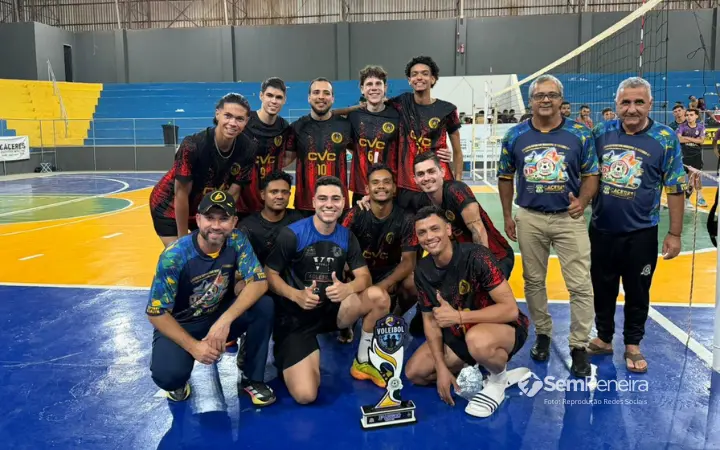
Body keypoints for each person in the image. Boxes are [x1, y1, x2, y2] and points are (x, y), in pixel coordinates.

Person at [497, 74, 598, 377]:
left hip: (569, 218)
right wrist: (507, 215)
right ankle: (542, 333)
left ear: (560, 100)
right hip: (530, 217)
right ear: (530, 101)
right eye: (539, 95)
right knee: (533, 281)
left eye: (551, 95)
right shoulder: (515, 135)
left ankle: (579, 345)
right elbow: (505, 176)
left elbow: (592, 174)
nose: (545, 100)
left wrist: (583, 200)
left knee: (580, 285)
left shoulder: (579, 133)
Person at [264, 176, 391, 404]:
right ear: (314, 202)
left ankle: (364, 360)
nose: (329, 204)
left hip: (332, 312)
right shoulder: (292, 234)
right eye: (323, 199)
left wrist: (348, 288)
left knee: (379, 297)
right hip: (297, 319)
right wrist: (296, 295)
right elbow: (270, 274)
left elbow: (365, 277)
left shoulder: (346, 236)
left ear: (343, 203)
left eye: (335, 199)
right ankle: (288, 355)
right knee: (306, 395)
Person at [588, 77, 686, 373]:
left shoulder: (665, 138)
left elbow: (675, 188)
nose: (632, 109)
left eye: (639, 102)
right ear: (616, 104)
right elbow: (586, 174)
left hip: (641, 232)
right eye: (626, 102)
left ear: (650, 104)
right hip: (602, 229)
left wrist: (675, 233)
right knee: (602, 287)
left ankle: (632, 343)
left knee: (638, 289)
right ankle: (604, 337)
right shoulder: (600, 132)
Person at [146, 190, 276, 406]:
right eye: (209, 218)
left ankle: (252, 377)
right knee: (168, 377)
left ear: (234, 222)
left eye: (223, 219)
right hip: (183, 323)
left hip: (217, 314)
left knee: (264, 305)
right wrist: (194, 347)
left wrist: (224, 322)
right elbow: (156, 313)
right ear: (198, 220)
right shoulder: (175, 256)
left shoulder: (237, 240)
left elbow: (259, 282)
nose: (216, 225)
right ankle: (179, 376)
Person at [404, 206, 529, 418]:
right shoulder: (423, 270)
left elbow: (510, 311)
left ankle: (499, 379)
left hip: (503, 328)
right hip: (461, 334)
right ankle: (479, 364)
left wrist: (459, 317)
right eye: (422, 232)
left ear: (448, 230)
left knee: (477, 340)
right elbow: (430, 322)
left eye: (435, 229)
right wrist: (441, 368)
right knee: (415, 373)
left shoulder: (477, 256)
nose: (429, 237)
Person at [149, 93, 257, 247]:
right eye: (228, 116)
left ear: (246, 121)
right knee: (182, 255)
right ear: (217, 114)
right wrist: (183, 241)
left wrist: (221, 223)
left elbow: (233, 192)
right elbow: (181, 194)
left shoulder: (248, 148)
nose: (232, 123)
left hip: (204, 207)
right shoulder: (193, 146)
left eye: (239, 119)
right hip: (169, 205)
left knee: (211, 250)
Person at [413, 151, 514, 279]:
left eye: (431, 171)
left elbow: (478, 230)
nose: (426, 178)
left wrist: (482, 269)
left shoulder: (456, 191)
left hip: (495, 256)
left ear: (442, 172)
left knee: (480, 289)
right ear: (415, 180)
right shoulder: (423, 202)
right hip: (462, 259)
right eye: (421, 174)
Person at [341, 163, 419, 319]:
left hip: (389, 274)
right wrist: (355, 280)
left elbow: (409, 262)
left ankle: (396, 316)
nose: (381, 186)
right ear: (367, 189)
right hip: (359, 273)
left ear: (394, 188)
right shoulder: (354, 215)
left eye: (386, 182)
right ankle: (347, 322)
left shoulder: (407, 218)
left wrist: (384, 284)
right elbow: (340, 252)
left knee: (413, 282)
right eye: (375, 182)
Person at [285, 78, 353, 216]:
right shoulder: (297, 127)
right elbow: (284, 160)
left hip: (337, 205)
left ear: (332, 98)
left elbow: (362, 154)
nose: (321, 96)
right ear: (309, 97)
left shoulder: (346, 126)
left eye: (326, 93)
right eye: (316, 92)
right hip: (305, 206)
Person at [236, 77, 293, 217]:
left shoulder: (284, 127)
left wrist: (271, 165)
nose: (274, 101)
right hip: (243, 202)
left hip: (270, 201)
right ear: (261, 96)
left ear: (284, 100)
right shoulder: (245, 122)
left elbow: (288, 156)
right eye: (269, 95)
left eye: (278, 97)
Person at [347, 65, 400, 206]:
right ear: (362, 89)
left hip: (389, 187)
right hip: (361, 187)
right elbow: (350, 145)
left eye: (378, 83)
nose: (374, 88)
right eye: (369, 84)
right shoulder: (354, 116)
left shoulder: (397, 116)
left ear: (385, 87)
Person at [239, 170, 305, 266]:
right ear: (263, 194)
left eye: (285, 192)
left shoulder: (298, 220)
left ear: (290, 195)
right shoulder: (247, 226)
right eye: (274, 192)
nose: (280, 196)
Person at [676, 107, 707, 207]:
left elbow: (701, 141)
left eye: (691, 115)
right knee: (684, 178)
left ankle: (696, 198)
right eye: (687, 115)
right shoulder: (682, 127)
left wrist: (686, 138)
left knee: (695, 177)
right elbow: (679, 139)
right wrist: (695, 139)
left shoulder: (701, 127)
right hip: (684, 156)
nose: (688, 117)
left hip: (696, 156)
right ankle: (684, 199)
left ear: (696, 116)